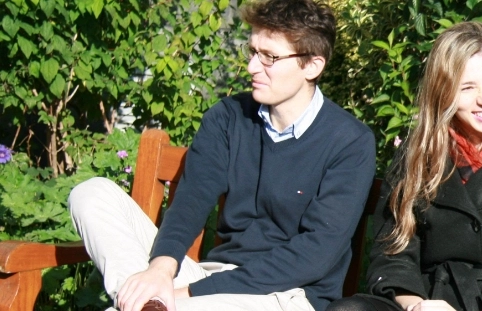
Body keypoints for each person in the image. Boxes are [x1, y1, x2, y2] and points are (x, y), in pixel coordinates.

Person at [68, 0, 376, 310]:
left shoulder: (349, 143)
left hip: (287, 295)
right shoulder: (229, 117)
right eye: (253, 52)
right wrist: (160, 270)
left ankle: (148, 303)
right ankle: (148, 301)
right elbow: (191, 201)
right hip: (207, 278)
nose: (252, 66)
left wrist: (186, 295)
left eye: (269, 57)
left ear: (312, 65)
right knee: (91, 193)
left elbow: (314, 256)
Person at [326, 21, 482, 311]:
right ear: (443, 93)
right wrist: (416, 305)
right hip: (424, 301)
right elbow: (393, 255)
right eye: (467, 87)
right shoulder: (415, 157)